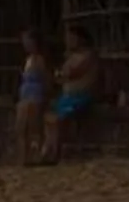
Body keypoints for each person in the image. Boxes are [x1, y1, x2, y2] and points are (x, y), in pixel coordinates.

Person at [41, 24, 103, 164]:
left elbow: (69, 73)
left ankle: (54, 154)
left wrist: (62, 74)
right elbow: (61, 75)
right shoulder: (72, 57)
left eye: (72, 38)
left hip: (81, 97)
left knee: (58, 120)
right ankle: (48, 151)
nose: (69, 41)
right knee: (49, 118)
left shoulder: (88, 55)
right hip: (68, 97)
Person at [13, 29, 51, 165]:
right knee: (21, 127)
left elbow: (45, 78)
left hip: (35, 93)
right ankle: (23, 156)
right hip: (26, 92)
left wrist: (47, 94)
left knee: (34, 126)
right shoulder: (27, 60)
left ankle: (35, 156)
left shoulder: (39, 59)